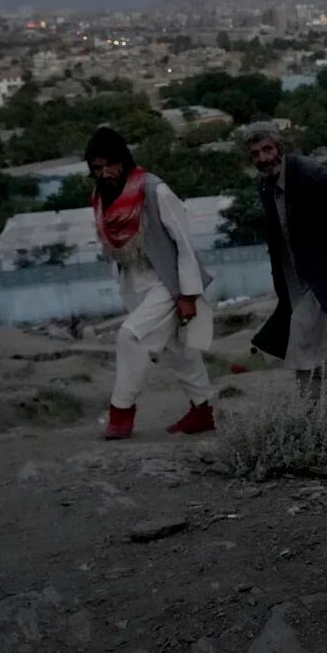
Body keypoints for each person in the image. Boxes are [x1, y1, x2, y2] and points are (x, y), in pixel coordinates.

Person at [85, 127, 217, 440]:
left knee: (129, 337)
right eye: (97, 168)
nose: (105, 173)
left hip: (168, 283)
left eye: (110, 165)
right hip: (136, 283)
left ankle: (121, 412)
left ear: (123, 161)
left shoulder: (155, 190)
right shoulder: (100, 198)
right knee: (179, 350)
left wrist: (186, 295)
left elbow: (183, 244)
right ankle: (203, 411)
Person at [241, 123, 327, 402]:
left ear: (279, 148)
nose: (263, 158)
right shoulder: (266, 185)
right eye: (255, 154)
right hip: (299, 278)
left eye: (267, 149)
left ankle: (312, 407)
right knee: (321, 342)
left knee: (302, 336)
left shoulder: (309, 175)